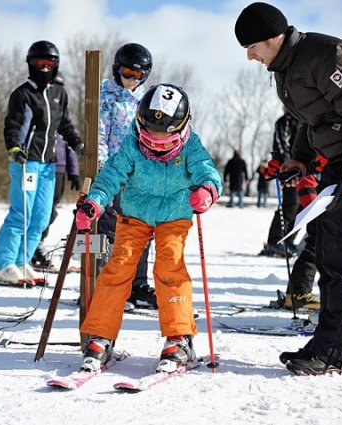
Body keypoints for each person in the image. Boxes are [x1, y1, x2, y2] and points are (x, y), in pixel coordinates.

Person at [235, 2, 342, 375]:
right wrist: (300, 159)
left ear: (273, 37)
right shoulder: (286, 67)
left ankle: (333, 352)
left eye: (252, 46)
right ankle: (325, 341)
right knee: (325, 246)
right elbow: (313, 120)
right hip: (340, 158)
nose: (249, 56)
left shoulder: (326, 55)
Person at [75, 83, 222, 373]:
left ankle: (179, 338)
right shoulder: (132, 143)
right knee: (118, 267)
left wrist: (207, 190)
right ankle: (101, 335)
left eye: (163, 135)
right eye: (150, 133)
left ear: (181, 127)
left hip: (174, 214)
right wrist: (94, 202)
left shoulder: (192, 145)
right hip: (135, 213)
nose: (155, 140)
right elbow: (111, 175)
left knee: (169, 267)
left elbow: (208, 170)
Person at [0, 40, 82, 285]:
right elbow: (13, 126)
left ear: (55, 65)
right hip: (26, 162)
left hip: (49, 164)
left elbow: (64, 125)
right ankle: (1, 263)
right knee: (22, 213)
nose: (44, 67)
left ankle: (21, 261)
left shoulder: (59, 93)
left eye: (48, 63)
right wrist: (14, 148)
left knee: (41, 217)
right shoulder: (23, 94)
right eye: (39, 63)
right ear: (30, 64)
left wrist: (77, 144)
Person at [97, 43, 156, 309]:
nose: (132, 79)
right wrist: (101, 164)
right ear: (117, 68)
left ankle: (137, 284)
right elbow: (98, 132)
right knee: (108, 230)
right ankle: (103, 283)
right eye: (127, 72)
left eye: (138, 75)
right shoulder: (106, 96)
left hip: (140, 176)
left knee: (141, 230)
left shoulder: (147, 100)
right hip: (112, 173)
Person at [30, 133, 80, 272]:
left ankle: (37, 242)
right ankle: (33, 244)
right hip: (41, 165)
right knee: (40, 209)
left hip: (59, 169)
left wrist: (73, 172)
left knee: (50, 209)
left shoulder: (61, 124)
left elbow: (69, 148)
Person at [259, 111, 300, 257]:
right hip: (289, 169)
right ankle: (274, 241)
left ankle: (288, 240)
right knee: (291, 204)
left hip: (304, 169)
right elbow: (281, 144)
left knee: (303, 206)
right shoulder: (285, 121)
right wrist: (287, 165)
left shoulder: (304, 119)